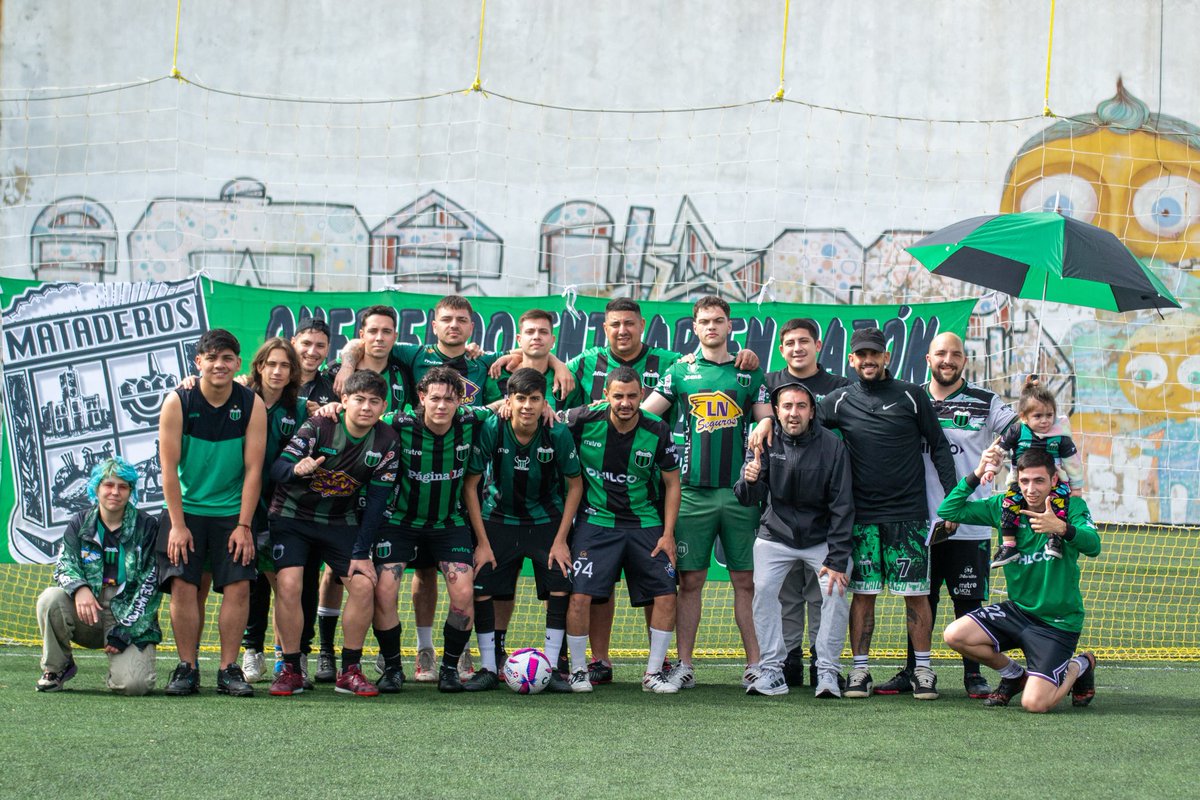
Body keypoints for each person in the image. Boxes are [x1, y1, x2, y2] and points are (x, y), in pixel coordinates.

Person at [559, 297, 757, 684]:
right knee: (599, 588)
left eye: (629, 323)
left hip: (656, 503)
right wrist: (541, 362)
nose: (622, 330)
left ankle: (664, 665)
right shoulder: (585, 363)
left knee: (666, 586)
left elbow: (654, 410)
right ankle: (596, 661)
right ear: (605, 327)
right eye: (615, 324)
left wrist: (744, 356)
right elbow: (554, 389)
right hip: (603, 508)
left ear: (643, 325)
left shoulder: (673, 363)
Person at [756, 327, 956, 700]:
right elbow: (798, 417)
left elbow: (940, 448)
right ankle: (860, 671)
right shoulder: (838, 400)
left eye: (874, 354)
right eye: (861, 355)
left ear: (886, 358)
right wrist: (766, 419)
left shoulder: (912, 396)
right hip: (862, 518)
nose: (868, 360)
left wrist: (952, 502)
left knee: (916, 595)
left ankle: (924, 671)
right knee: (862, 595)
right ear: (852, 360)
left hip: (908, 515)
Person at [875, 332, 1017, 700]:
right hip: (918, 521)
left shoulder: (986, 402)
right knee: (919, 597)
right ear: (928, 358)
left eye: (955, 354)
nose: (948, 360)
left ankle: (974, 675)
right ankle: (914, 671)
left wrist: (1007, 443)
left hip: (968, 522)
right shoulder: (909, 397)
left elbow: (1017, 430)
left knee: (968, 600)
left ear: (964, 362)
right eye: (941, 353)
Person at [642, 295, 771, 689]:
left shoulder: (750, 373)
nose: (711, 326)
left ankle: (756, 664)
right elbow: (646, 415)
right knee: (690, 582)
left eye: (717, 320)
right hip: (692, 494)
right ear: (694, 327)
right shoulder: (680, 371)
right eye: (703, 321)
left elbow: (767, 421)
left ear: (729, 325)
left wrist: (762, 429)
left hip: (740, 494)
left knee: (746, 582)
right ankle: (683, 665)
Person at [267, 370, 400, 697]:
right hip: (292, 517)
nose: (365, 407)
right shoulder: (319, 426)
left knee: (364, 584)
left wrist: (360, 552)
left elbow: (378, 503)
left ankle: (350, 670)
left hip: (340, 522)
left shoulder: (386, 441)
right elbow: (278, 470)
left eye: (373, 401)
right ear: (344, 401)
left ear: (383, 406)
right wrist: (297, 468)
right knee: (289, 584)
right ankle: (292, 669)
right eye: (358, 399)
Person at [941, 446, 1100, 712]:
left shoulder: (1072, 507)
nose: (1031, 489)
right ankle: (1015, 675)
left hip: (1057, 623)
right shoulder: (1004, 507)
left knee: (1035, 704)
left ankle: (1079, 665)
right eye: (1024, 481)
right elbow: (949, 510)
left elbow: (1093, 545)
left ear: (1053, 481)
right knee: (955, 634)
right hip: (1018, 611)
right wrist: (979, 472)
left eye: (1039, 480)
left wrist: (1061, 528)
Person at [371, 366, 496, 693]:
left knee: (464, 593)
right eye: (435, 398)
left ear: (459, 402)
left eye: (449, 400)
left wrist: (513, 403)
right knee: (383, 591)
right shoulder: (399, 423)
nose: (442, 405)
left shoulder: (470, 420)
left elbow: (501, 405)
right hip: (399, 522)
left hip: (448, 523)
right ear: (422, 398)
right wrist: (330, 409)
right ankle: (393, 669)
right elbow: (358, 412)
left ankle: (450, 669)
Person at [157, 328, 266, 697]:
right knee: (184, 587)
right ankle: (186, 668)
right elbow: (168, 469)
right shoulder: (178, 401)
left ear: (237, 363)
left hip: (232, 514)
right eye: (212, 358)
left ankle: (228, 669)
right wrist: (176, 525)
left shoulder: (252, 404)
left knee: (238, 587)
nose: (219, 364)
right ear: (198, 362)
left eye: (227, 358)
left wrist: (244, 525)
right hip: (186, 512)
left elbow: (254, 469)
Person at [561, 366, 682, 694]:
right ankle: (577, 671)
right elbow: (546, 418)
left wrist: (668, 533)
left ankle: (653, 674)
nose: (625, 403)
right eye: (618, 396)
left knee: (667, 595)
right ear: (606, 395)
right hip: (595, 522)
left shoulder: (657, 428)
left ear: (642, 395)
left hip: (645, 523)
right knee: (580, 596)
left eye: (632, 396)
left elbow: (672, 484)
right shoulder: (583, 418)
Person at [463, 368, 584, 692]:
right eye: (521, 399)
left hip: (546, 522)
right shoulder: (493, 427)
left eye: (534, 399)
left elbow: (575, 485)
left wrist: (561, 540)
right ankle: (489, 666)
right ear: (509, 400)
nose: (527, 406)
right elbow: (471, 484)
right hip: (499, 519)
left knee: (560, 585)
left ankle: (555, 667)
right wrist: (482, 542)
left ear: (544, 402)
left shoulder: (555, 432)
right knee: (483, 584)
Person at [734, 381, 853, 698]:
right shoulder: (764, 441)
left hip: (821, 537)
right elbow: (748, 498)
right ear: (775, 411)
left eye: (801, 406)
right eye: (787, 406)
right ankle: (772, 671)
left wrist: (838, 558)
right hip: (776, 535)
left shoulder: (832, 446)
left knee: (835, 590)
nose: (794, 413)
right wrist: (750, 480)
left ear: (812, 411)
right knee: (763, 590)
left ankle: (827, 672)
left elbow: (842, 506)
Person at [763, 318, 851, 687]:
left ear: (818, 345)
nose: (797, 348)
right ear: (781, 349)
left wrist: (838, 549)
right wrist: (763, 422)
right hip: (781, 523)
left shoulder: (839, 387)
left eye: (804, 341)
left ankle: (823, 664)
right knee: (782, 596)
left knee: (824, 593)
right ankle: (786, 663)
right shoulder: (768, 383)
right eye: (790, 343)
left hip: (822, 514)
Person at [36, 457, 161, 695]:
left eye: (123, 487)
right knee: (50, 599)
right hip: (89, 610)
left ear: (131, 491)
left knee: (135, 686)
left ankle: (119, 673)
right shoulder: (80, 522)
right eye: (108, 485)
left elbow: (150, 585)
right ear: (96, 488)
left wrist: (127, 629)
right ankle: (57, 667)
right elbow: (63, 565)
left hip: (128, 614)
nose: (115, 492)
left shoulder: (147, 526)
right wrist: (79, 588)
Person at [233, 339, 309, 685]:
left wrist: (329, 408)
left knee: (286, 585)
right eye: (271, 364)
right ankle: (252, 651)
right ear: (259, 366)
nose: (278, 372)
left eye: (285, 366)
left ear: (294, 372)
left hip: (285, 509)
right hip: (241, 504)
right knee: (246, 583)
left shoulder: (302, 408)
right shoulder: (239, 399)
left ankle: (287, 658)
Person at [989, 378, 1084, 567]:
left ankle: (1054, 539)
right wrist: (990, 469)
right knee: (1009, 504)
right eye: (1038, 416)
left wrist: (1077, 488)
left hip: (1054, 482)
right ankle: (1009, 545)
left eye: (1049, 415)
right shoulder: (1017, 431)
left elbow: (1073, 463)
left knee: (1059, 502)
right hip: (1021, 482)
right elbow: (999, 450)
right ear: (1024, 417)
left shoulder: (1060, 436)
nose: (1045, 420)